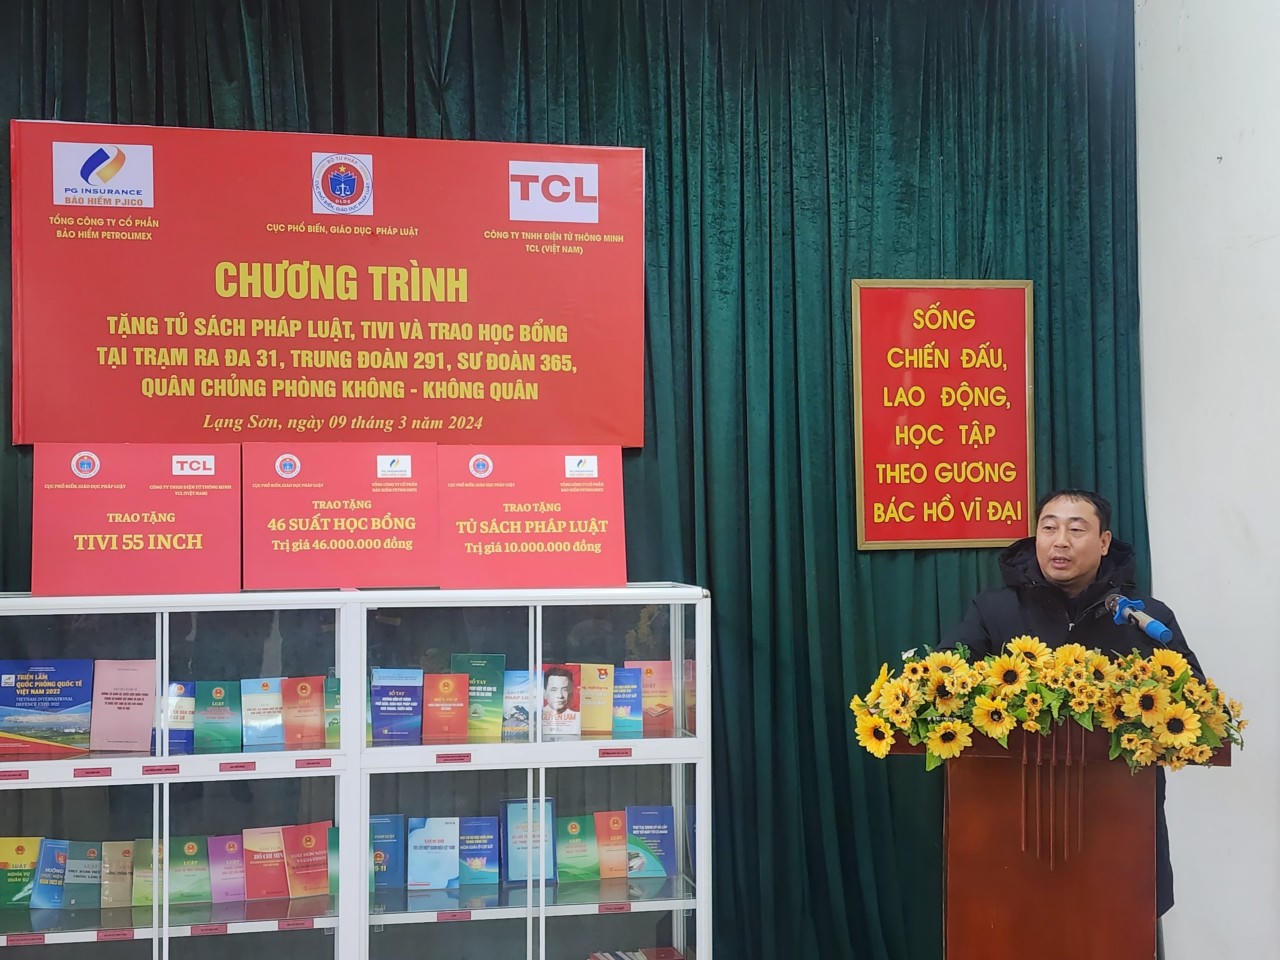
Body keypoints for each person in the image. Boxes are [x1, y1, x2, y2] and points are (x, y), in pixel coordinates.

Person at [942, 488, 1203, 924]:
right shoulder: (993, 610)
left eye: (1076, 529)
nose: (1059, 541)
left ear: (1104, 542)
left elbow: (1197, 698)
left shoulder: (1144, 617)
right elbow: (944, 683)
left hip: (1119, 830)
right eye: (1049, 528)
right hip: (1010, 829)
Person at [541, 666, 580, 737]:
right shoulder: (536, 717)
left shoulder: (578, 718)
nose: (560, 695)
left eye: (564, 689)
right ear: (545, 693)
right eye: (554, 689)